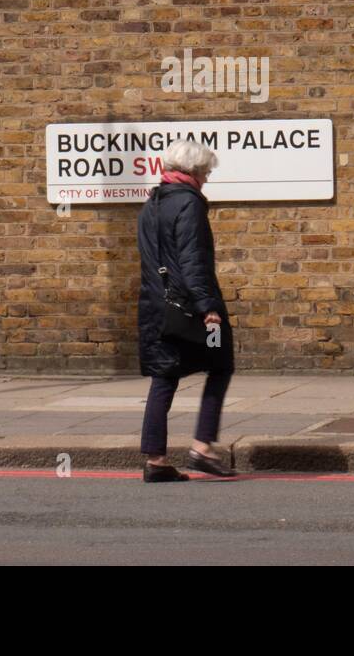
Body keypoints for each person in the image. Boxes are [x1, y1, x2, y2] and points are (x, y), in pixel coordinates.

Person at [136, 139, 236, 482]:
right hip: (191, 308)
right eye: (206, 172)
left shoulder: (152, 203)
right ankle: (202, 448)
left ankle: (156, 460)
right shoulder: (189, 204)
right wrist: (208, 306)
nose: (207, 178)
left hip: (156, 308)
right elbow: (192, 259)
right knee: (220, 364)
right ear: (193, 172)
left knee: (163, 376)